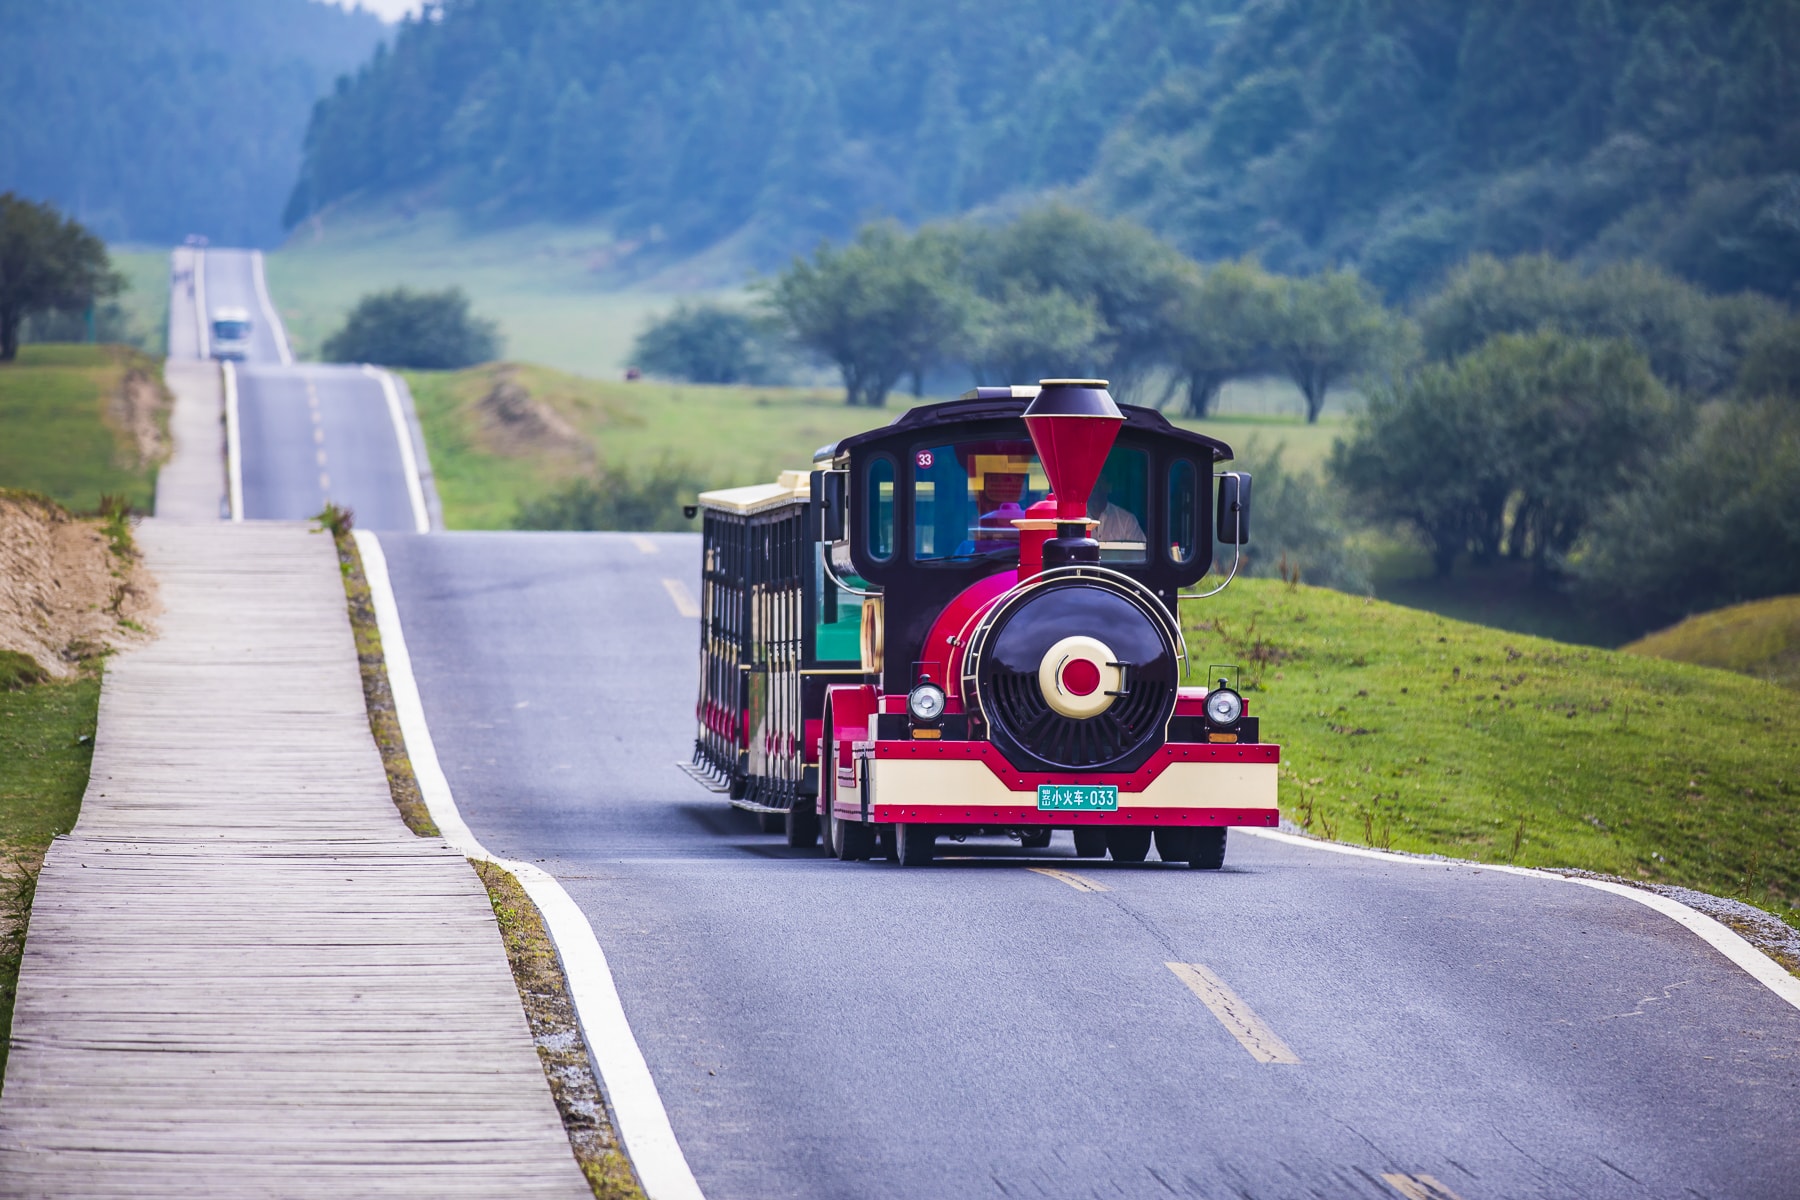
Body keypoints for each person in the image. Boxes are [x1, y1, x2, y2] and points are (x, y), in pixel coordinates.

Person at [1088, 475, 1145, 543]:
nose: (1095, 487)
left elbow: (1141, 551)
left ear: (1109, 487)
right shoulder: (1075, 520)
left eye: (1099, 482)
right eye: (1092, 483)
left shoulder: (1127, 521)